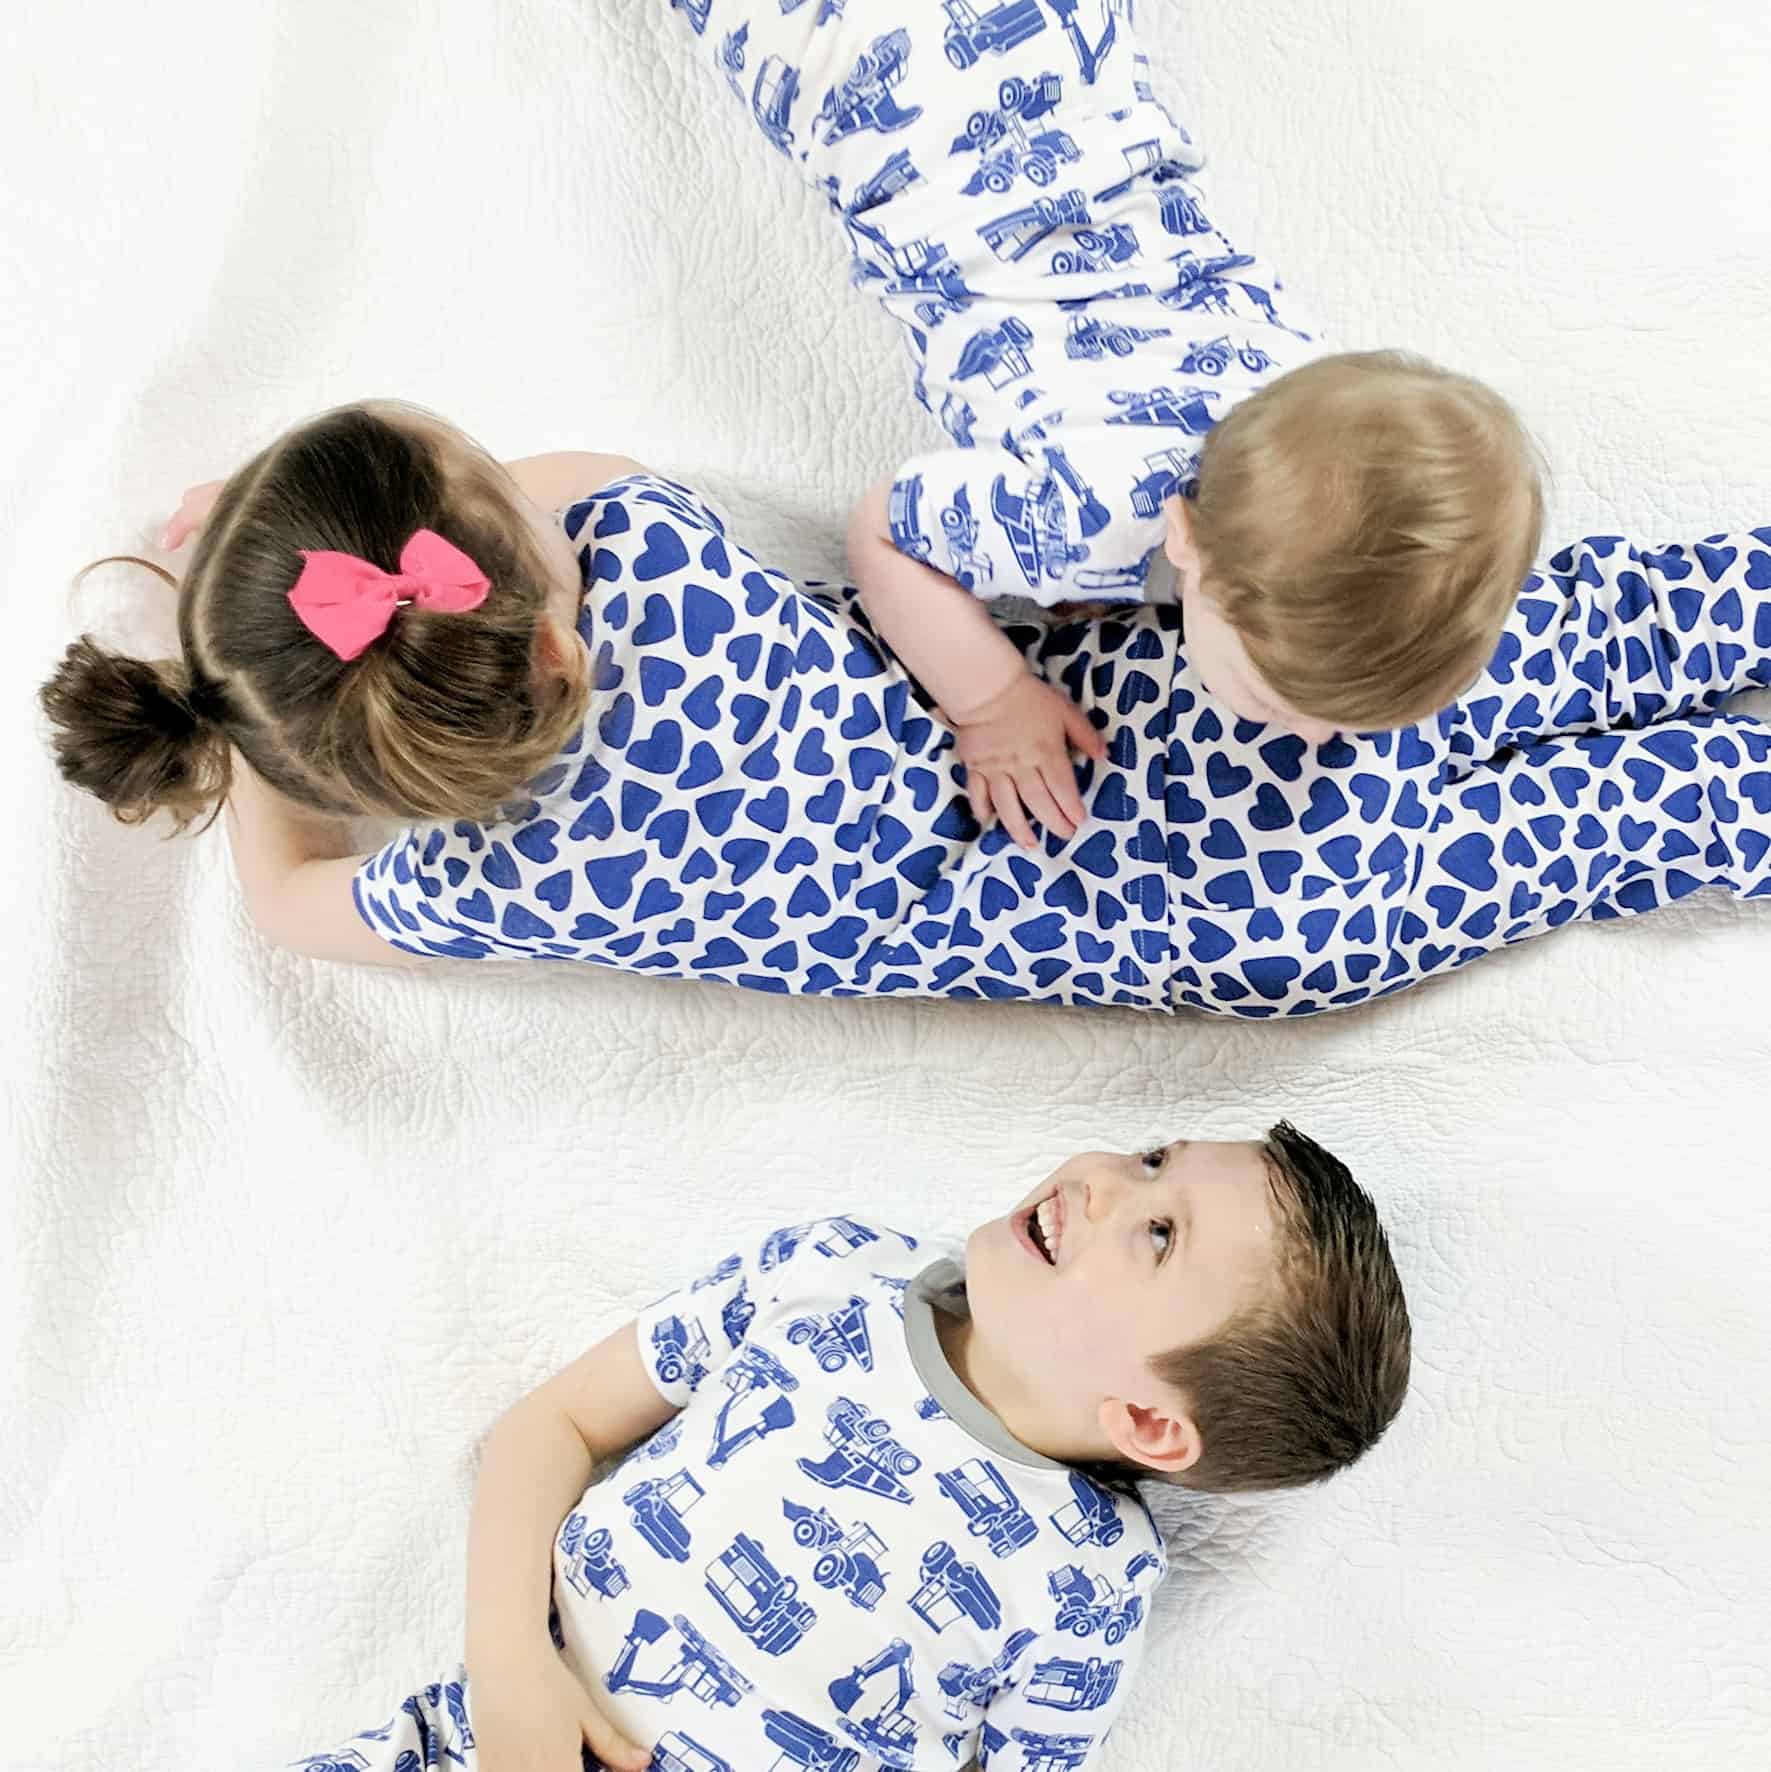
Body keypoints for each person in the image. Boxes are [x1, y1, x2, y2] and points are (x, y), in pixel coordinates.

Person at [37, 402, 1771, 1012]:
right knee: (1616, 622)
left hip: (1247, 917)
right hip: (1177, 720)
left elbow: (278, 903)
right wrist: (241, 549)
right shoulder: (653, 563)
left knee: (1662, 811)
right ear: (542, 617)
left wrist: (245, 698)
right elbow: (541, 484)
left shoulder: (482, 885)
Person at [660, 0, 1545, 837]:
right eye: (1276, 705)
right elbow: (881, 534)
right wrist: (991, 699)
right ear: (1183, 539)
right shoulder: (1078, 526)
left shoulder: (1303, 379)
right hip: (864, 75)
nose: (1315, 744)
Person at [281, 1126, 1410, 1772]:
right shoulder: (838, 1271)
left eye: (1158, 1233)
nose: (1106, 1178)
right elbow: (550, 1424)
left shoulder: (1090, 1585)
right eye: (1156, 1155)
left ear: (1151, 1422)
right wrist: (509, 1663)